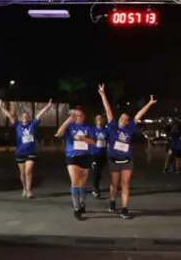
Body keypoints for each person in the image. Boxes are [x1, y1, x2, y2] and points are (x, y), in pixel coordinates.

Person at [98, 84, 157, 219]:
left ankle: (124, 209)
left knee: (125, 184)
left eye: (125, 119)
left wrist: (149, 104)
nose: (123, 120)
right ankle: (112, 201)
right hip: (114, 158)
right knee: (114, 183)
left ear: (127, 121)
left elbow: (138, 115)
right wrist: (103, 95)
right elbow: (108, 110)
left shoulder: (130, 128)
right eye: (121, 118)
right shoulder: (112, 126)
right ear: (119, 119)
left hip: (127, 159)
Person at [0, 99, 53, 198]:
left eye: (27, 116)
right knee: (22, 173)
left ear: (29, 118)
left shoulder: (33, 124)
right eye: (23, 116)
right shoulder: (17, 125)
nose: (25, 118)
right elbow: (9, 116)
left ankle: (29, 190)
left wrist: (48, 106)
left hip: (31, 152)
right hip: (20, 152)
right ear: (21, 118)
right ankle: (24, 188)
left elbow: (40, 114)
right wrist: (1, 107)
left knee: (28, 172)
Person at [56, 106, 96, 219]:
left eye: (80, 115)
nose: (77, 117)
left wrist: (83, 138)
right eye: (75, 115)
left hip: (85, 156)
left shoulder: (89, 127)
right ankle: (76, 207)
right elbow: (59, 134)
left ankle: (82, 202)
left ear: (84, 116)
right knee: (75, 181)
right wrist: (69, 120)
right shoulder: (69, 126)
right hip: (72, 156)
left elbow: (93, 142)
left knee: (82, 183)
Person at [91, 114, 109, 198]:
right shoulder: (93, 130)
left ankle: (97, 186)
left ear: (103, 120)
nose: (99, 119)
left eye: (100, 118)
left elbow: (108, 140)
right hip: (94, 154)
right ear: (95, 120)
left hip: (103, 153)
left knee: (100, 171)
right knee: (96, 171)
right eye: (97, 118)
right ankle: (95, 189)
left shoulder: (106, 130)